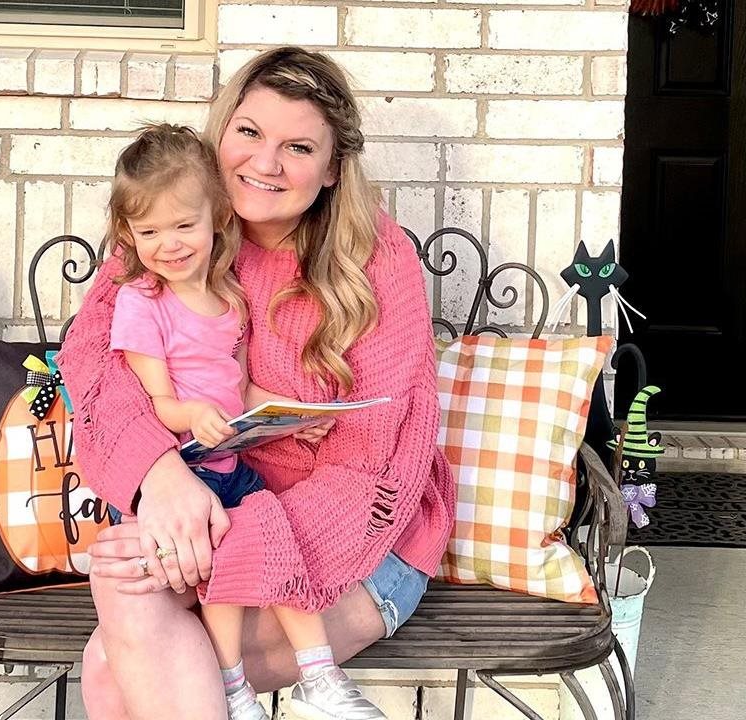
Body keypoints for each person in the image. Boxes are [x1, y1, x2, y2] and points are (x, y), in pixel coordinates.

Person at [56, 47, 457, 720]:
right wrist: (161, 478)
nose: (264, 164)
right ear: (222, 132)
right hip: (204, 502)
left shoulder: (379, 261)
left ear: (333, 169)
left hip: (348, 550)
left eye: (297, 147)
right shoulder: (174, 226)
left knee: (112, 658)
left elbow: (374, 461)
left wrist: (225, 536)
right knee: (123, 594)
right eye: (249, 133)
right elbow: (96, 363)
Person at [100, 123, 364, 720]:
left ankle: (321, 680)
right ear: (128, 234)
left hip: (229, 465)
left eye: (183, 225)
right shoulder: (143, 304)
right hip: (184, 476)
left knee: (273, 542)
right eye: (148, 232)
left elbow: (238, 387)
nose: (168, 244)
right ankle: (235, 687)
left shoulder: (227, 298)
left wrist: (294, 417)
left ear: (217, 217)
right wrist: (193, 415)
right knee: (229, 564)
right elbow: (154, 405)